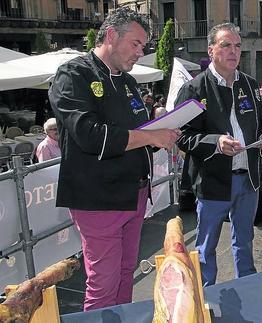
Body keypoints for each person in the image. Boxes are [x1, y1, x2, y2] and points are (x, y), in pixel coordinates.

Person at [48, 7, 181, 311]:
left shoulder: (129, 82)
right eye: (135, 44)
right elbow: (90, 135)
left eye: (143, 46)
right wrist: (151, 137)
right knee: (103, 281)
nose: (140, 52)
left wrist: (164, 135)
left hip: (134, 192)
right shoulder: (73, 74)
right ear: (110, 35)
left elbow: (141, 136)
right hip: (97, 196)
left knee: (125, 271)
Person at [175, 23, 262, 286]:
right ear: (211, 50)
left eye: (238, 45)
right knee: (206, 247)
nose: (234, 51)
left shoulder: (251, 85)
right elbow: (182, 136)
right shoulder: (194, 89)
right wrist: (215, 143)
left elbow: (261, 123)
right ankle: (205, 297)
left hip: (249, 179)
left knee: (245, 241)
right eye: (226, 45)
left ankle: (248, 288)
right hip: (212, 181)